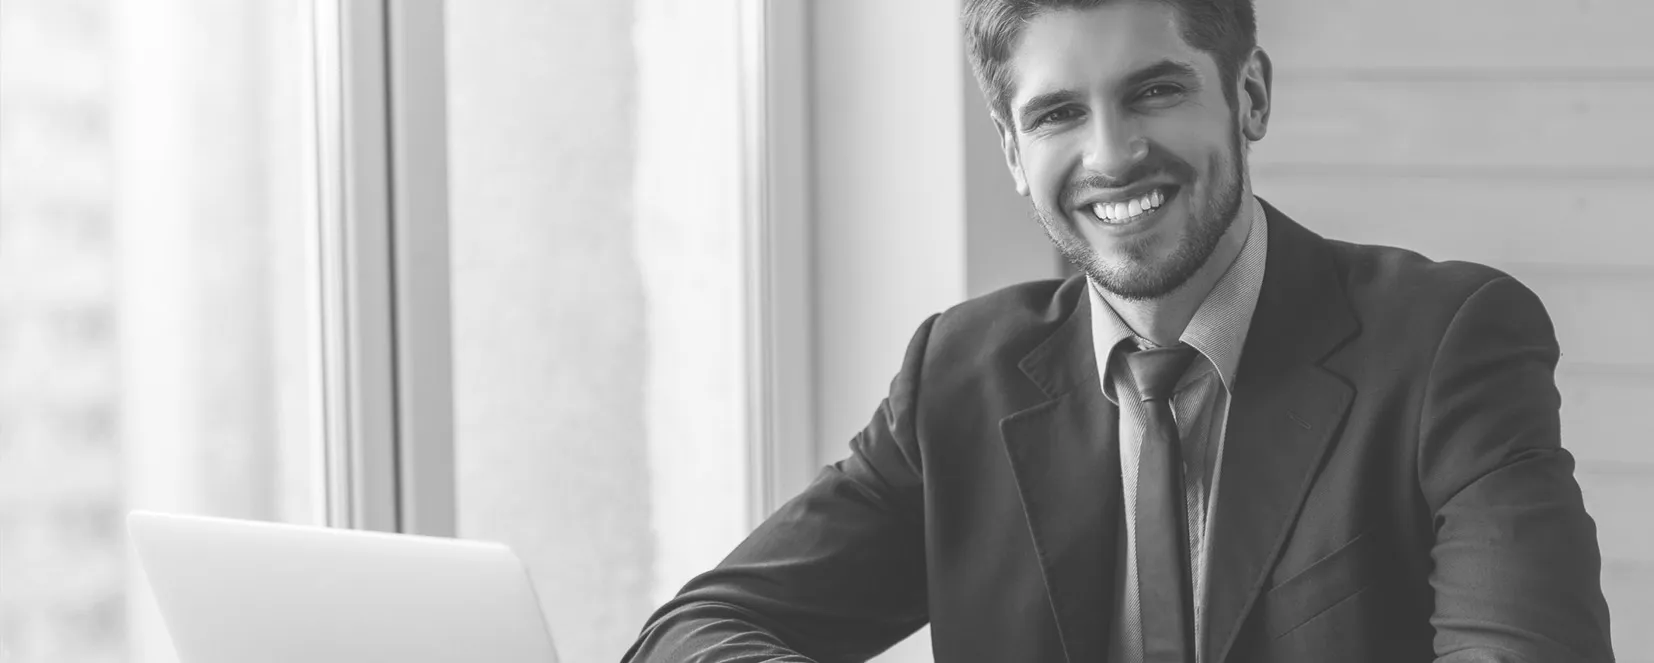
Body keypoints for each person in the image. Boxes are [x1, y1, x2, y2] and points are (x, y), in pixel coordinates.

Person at [622, 0, 1616, 661]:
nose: (1111, 155)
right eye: (1057, 114)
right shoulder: (957, 377)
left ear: (1250, 95)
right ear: (1013, 153)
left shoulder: (1448, 344)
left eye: (1154, 90)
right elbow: (693, 631)